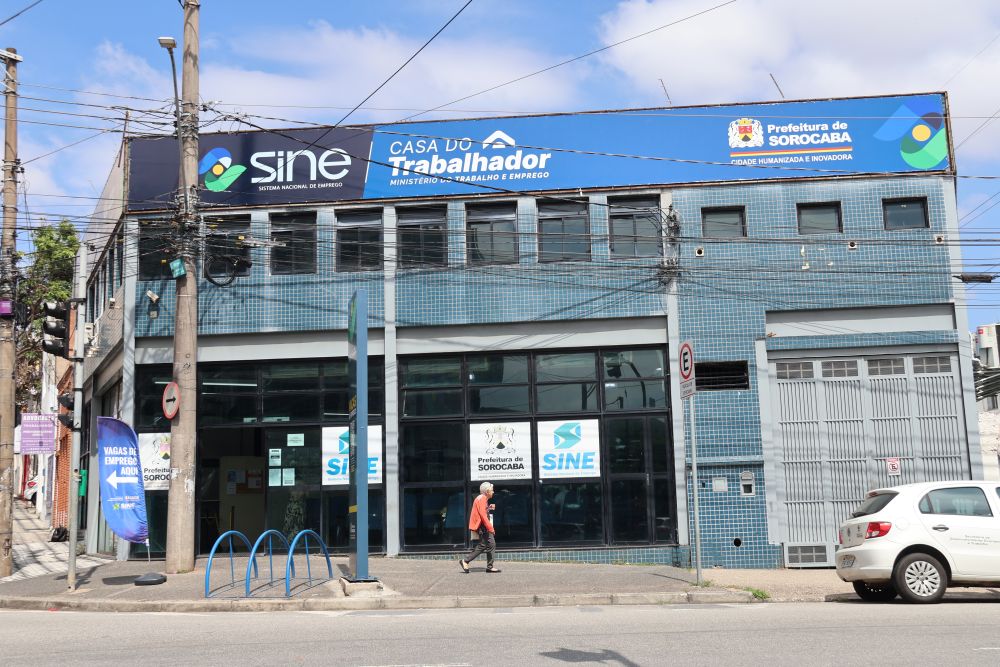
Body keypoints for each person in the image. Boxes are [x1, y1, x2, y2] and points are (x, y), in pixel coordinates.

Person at [460, 481, 501, 573]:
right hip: (483, 526)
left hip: (482, 526)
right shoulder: (482, 499)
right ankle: (466, 560)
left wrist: (489, 508)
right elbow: (483, 516)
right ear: (487, 491)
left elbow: (481, 511)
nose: (493, 492)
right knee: (485, 545)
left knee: (489, 544)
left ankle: (489, 566)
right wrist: (491, 528)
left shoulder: (481, 498)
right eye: (492, 490)